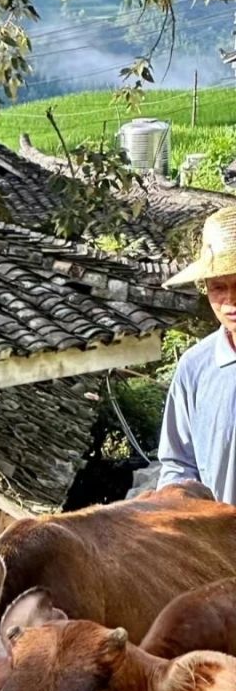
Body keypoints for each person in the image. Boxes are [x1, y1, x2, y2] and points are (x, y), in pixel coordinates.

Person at [158, 206, 236, 504]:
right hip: (220, 545)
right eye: (219, 287)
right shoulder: (195, 368)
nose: (231, 301)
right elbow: (178, 466)